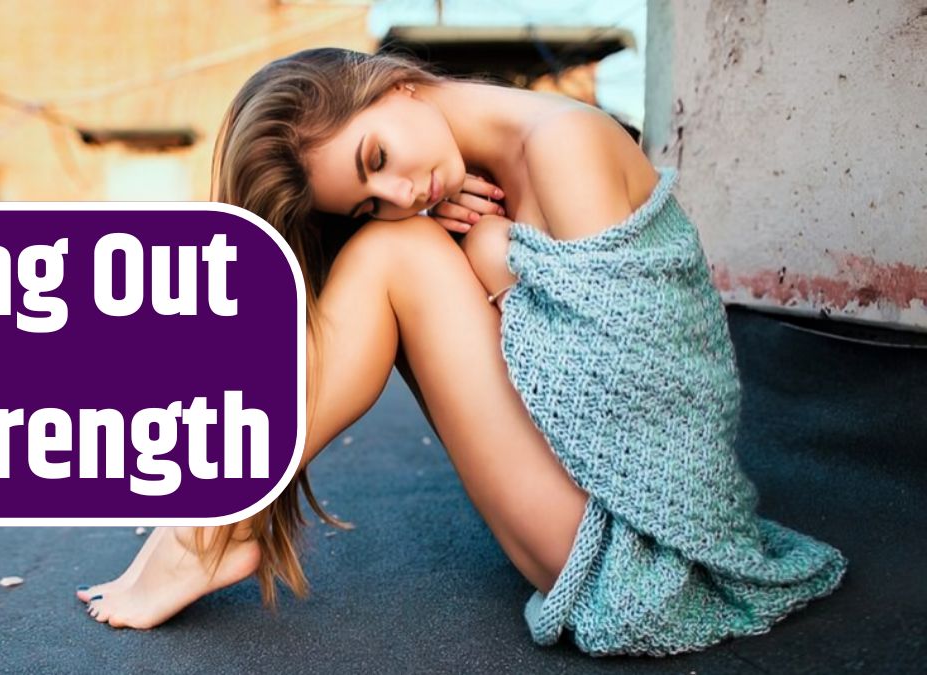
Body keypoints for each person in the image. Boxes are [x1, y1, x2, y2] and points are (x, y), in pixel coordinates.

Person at [76, 47, 847, 656]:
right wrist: (480, 247)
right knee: (397, 246)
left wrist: (488, 253)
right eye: (370, 197)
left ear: (396, 86)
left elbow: (635, 412)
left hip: (642, 547)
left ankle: (207, 525)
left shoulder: (564, 146)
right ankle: (209, 517)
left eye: (377, 159)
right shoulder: (483, 166)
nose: (402, 192)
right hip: (596, 515)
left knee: (394, 254)